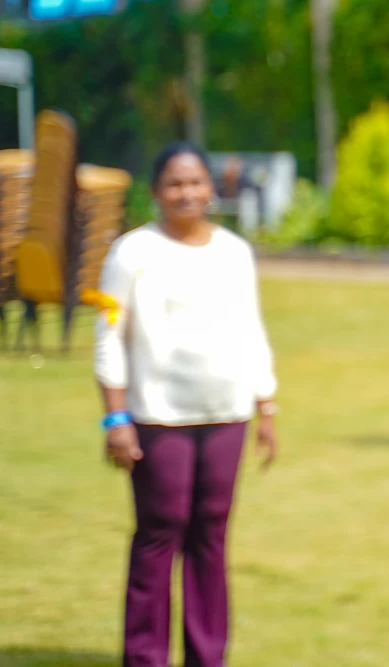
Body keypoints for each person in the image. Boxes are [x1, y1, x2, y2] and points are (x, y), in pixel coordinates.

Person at [94, 143, 278, 667]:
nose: (186, 193)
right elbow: (109, 335)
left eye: (196, 183)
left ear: (211, 189)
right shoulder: (132, 252)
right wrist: (115, 417)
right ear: (156, 192)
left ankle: (206, 655)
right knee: (161, 528)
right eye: (174, 184)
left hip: (226, 411)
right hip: (157, 415)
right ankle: (145, 656)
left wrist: (266, 405)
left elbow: (252, 328)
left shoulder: (234, 252)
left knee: (211, 535)